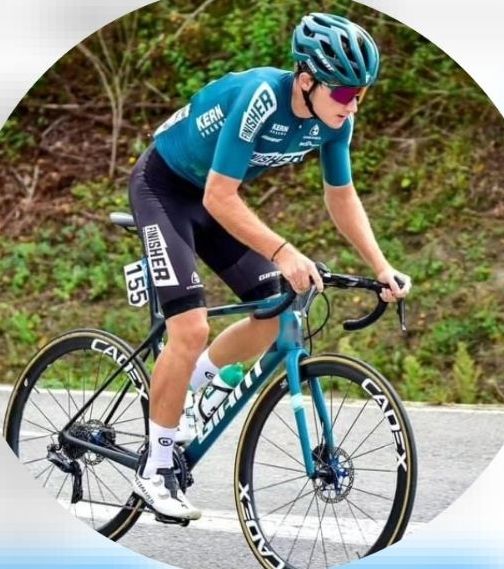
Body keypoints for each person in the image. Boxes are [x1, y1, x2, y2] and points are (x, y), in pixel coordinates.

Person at [129, 12, 412, 520]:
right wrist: (283, 251)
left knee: (276, 309)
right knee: (189, 328)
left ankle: (191, 387)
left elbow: (341, 195)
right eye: (345, 93)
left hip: (213, 199)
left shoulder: (334, 121)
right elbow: (220, 196)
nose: (353, 105)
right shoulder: (260, 97)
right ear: (306, 81)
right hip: (165, 188)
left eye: (361, 94)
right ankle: (156, 469)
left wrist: (381, 266)